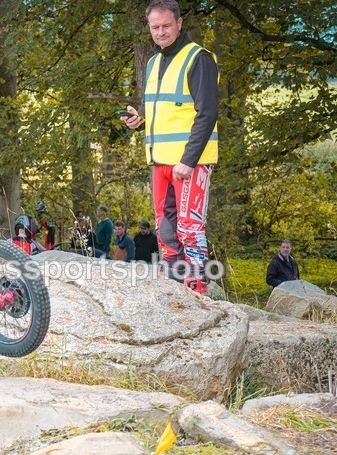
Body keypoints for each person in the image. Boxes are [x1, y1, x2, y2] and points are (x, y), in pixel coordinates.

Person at [121, 0, 219, 293]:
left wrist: (189, 160)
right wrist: (140, 118)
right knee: (165, 230)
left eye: (166, 25)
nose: (161, 32)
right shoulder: (153, 62)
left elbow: (208, 113)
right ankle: (175, 287)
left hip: (190, 162)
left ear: (179, 23)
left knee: (190, 228)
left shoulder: (198, 58)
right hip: (159, 162)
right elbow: (162, 108)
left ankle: (199, 287)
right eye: (155, 27)